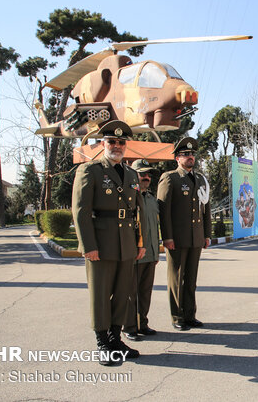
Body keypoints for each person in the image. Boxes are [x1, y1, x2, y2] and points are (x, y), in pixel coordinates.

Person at [72, 121, 146, 366]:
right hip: (101, 242)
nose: (117, 146)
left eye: (121, 142)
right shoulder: (90, 170)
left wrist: (140, 242)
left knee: (123, 292)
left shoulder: (132, 174)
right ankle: (102, 342)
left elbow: (138, 211)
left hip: (126, 242)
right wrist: (87, 245)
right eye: (112, 141)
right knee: (101, 293)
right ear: (103, 144)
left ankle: (115, 338)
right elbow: (81, 211)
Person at [157, 137, 211, 331]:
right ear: (177, 158)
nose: (190, 157)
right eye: (185, 155)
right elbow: (164, 210)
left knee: (191, 280)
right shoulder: (170, 178)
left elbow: (206, 209)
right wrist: (167, 237)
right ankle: (177, 317)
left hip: (195, 237)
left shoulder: (200, 179)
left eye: (192, 154)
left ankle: (190, 315)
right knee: (177, 279)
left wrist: (206, 234)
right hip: (177, 239)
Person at [123, 159, 160, 341]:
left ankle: (142, 323)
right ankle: (129, 327)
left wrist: (156, 251)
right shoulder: (128, 197)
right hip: (135, 253)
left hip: (151, 253)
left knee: (145, 292)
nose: (146, 177)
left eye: (148, 175)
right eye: (142, 174)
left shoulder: (152, 199)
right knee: (131, 293)